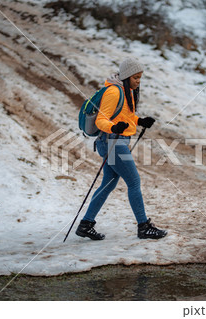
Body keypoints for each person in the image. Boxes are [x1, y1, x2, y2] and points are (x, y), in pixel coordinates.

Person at [76, 58, 167, 240]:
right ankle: (143, 227)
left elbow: (125, 116)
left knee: (109, 183)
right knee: (134, 182)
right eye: (135, 78)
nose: (138, 81)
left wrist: (139, 121)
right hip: (112, 142)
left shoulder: (126, 92)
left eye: (140, 78)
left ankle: (86, 224)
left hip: (116, 141)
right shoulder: (113, 92)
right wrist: (114, 128)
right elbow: (102, 120)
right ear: (126, 76)